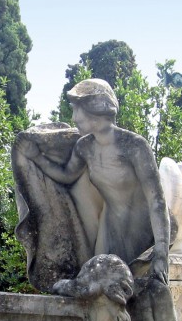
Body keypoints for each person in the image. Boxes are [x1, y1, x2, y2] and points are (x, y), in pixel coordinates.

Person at [16, 79, 170, 284]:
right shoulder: (84, 146)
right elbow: (66, 176)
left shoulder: (134, 146)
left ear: (93, 110)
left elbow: (157, 201)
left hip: (140, 230)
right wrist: (36, 157)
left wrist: (161, 252)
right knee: (99, 283)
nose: (74, 117)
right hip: (109, 227)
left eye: (76, 110)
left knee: (132, 289)